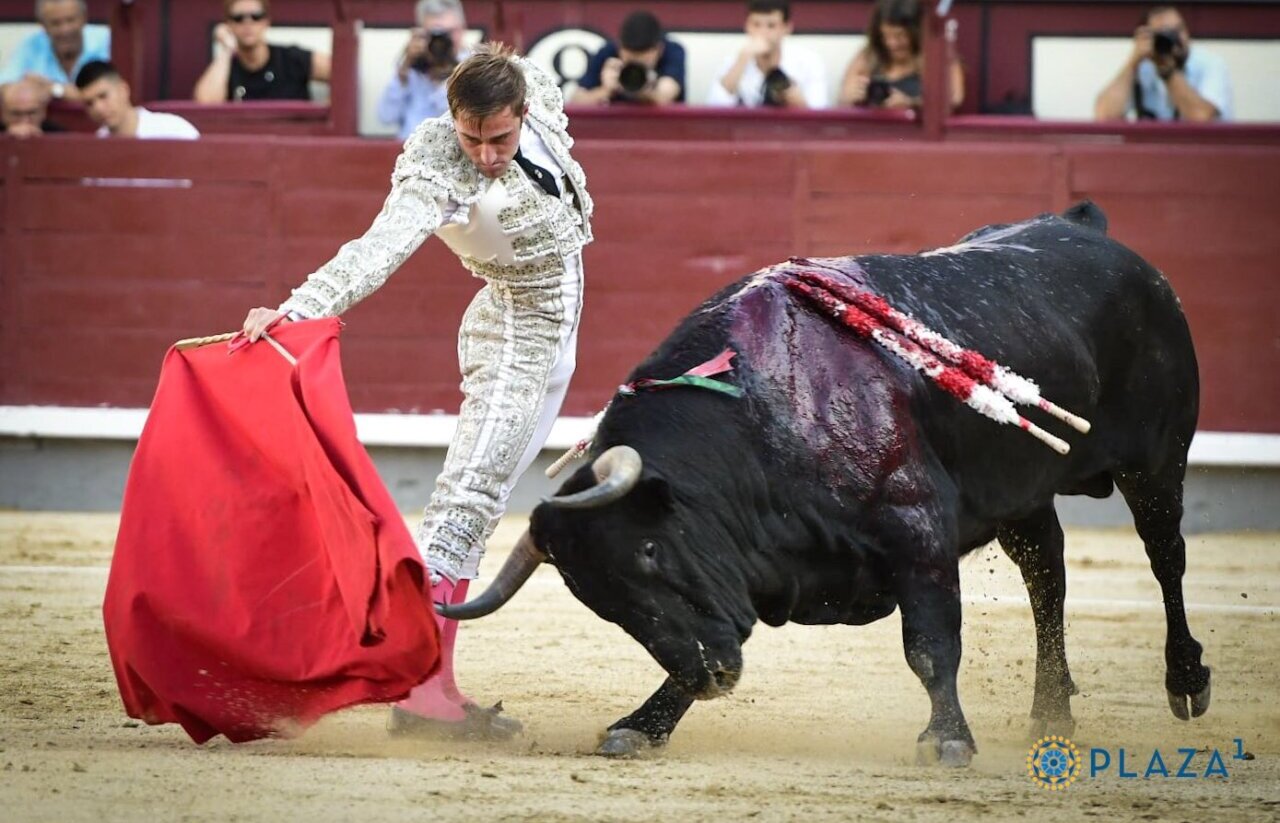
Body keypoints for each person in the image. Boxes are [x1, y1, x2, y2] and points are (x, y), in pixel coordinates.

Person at [240, 44, 593, 739]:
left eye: (500, 138)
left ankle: (431, 681)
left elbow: (497, 61)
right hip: (518, 336)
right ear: (451, 119)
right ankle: (426, 690)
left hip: (555, 333)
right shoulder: (437, 163)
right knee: (467, 499)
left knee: (478, 498)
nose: (486, 155)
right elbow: (380, 246)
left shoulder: (536, 91)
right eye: (472, 137)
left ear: (522, 112)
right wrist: (300, 308)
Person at [1094, 5, 1232, 122]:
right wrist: (1133, 62)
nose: (1176, 39)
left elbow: (1202, 118)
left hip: (1202, 151)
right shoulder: (1144, 67)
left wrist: (1168, 72)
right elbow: (1105, 115)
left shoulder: (1210, 64)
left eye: (1179, 30)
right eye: (1165, 35)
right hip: (1153, 151)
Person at [192, 0, 332, 103]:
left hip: (296, 138)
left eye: (256, 16)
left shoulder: (291, 58)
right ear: (229, 24)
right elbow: (205, 104)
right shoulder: (227, 69)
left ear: (266, 21)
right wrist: (226, 50)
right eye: (238, 18)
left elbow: (344, 73)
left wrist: (327, 111)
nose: (248, 23)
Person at [838, 0, 964, 110]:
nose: (892, 43)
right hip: (872, 131)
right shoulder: (869, 56)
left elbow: (954, 99)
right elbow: (843, 99)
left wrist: (912, 103)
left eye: (899, 36)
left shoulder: (936, 56)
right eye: (885, 36)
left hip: (914, 134)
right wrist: (851, 97)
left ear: (916, 32)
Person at [706, 0, 827, 109]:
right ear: (747, 26)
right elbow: (714, 110)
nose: (762, 32)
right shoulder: (734, 61)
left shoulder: (808, 62)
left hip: (790, 132)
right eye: (756, 25)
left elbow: (819, 116)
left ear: (787, 28)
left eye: (771, 26)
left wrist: (794, 98)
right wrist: (742, 60)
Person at [378, 0, 470, 141]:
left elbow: (460, 117)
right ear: (422, 33)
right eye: (435, 34)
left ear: (462, 29)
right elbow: (386, 116)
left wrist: (445, 74)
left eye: (448, 33)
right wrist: (404, 69)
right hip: (410, 152)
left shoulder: (473, 66)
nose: (441, 41)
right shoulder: (412, 66)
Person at [0, 0, 110, 104]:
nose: (65, 30)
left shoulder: (107, 41)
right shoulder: (32, 46)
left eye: (70, 20)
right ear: (43, 25)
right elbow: (4, 88)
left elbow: (109, 95)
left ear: (84, 18)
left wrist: (54, 89)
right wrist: (25, 89)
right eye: (56, 23)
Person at [570, 10, 686, 106]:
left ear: (659, 50)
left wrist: (643, 90)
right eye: (630, 58)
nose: (635, 65)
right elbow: (576, 102)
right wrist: (606, 90)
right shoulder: (607, 53)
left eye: (642, 59)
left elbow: (664, 96)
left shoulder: (672, 51)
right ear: (620, 48)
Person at [77, 60, 200, 139]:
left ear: (124, 90)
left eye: (103, 96)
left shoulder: (173, 130)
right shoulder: (96, 146)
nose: (98, 108)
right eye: (89, 103)